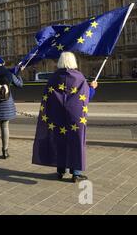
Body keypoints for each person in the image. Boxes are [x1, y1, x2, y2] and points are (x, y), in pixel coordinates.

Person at [32, 52, 98, 183]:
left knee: (59, 140)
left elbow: (47, 98)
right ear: (73, 62)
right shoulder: (79, 77)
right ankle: (76, 173)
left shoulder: (54, 78)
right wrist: (92, 88)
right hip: (76, 117)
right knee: (76, 141)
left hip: (57, 117)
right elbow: (86, 98)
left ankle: (60, 170)